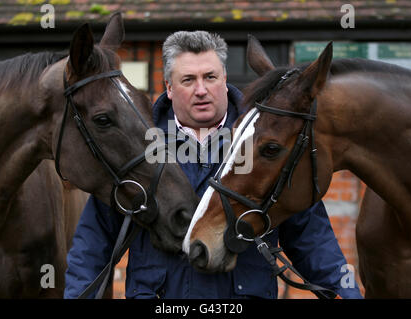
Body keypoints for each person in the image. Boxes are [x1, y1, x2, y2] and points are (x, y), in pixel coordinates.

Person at [64, 31, 363, 299]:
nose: (201, 90)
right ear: (169, 87)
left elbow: (310, 236)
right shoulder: (137, 149)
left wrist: (346, 292)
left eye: (210, 77)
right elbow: (94, 242)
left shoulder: (265, 145)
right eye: (188, 80)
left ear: (224, 79)